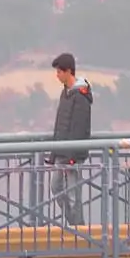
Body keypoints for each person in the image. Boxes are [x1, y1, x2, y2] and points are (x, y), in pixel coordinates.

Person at [47, 52, 93, 226]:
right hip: (61, 151)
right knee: (56, 187)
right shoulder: (65, 93)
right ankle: (73, 223)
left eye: (59, 72)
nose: (57, 75)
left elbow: (79, 127)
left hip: (72, 153)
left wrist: (72, 156)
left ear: (68, 72)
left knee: (73, 194)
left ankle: (78, 229)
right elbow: (61, 123)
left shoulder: (80, 95)